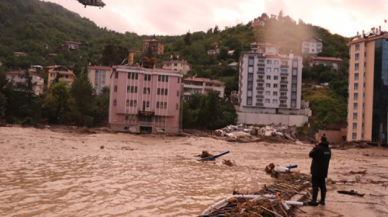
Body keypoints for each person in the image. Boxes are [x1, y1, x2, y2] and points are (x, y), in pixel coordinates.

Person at [309, 135, 331, 206]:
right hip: (324, 170)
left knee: (315, 186)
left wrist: (314, 148)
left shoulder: (318, 148)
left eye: (319, 140)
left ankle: (314, 200)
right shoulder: (328, 150)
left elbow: (310, 154)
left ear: (320, 141)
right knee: (322, 186)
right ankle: (322, 200)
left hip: (316, 170)